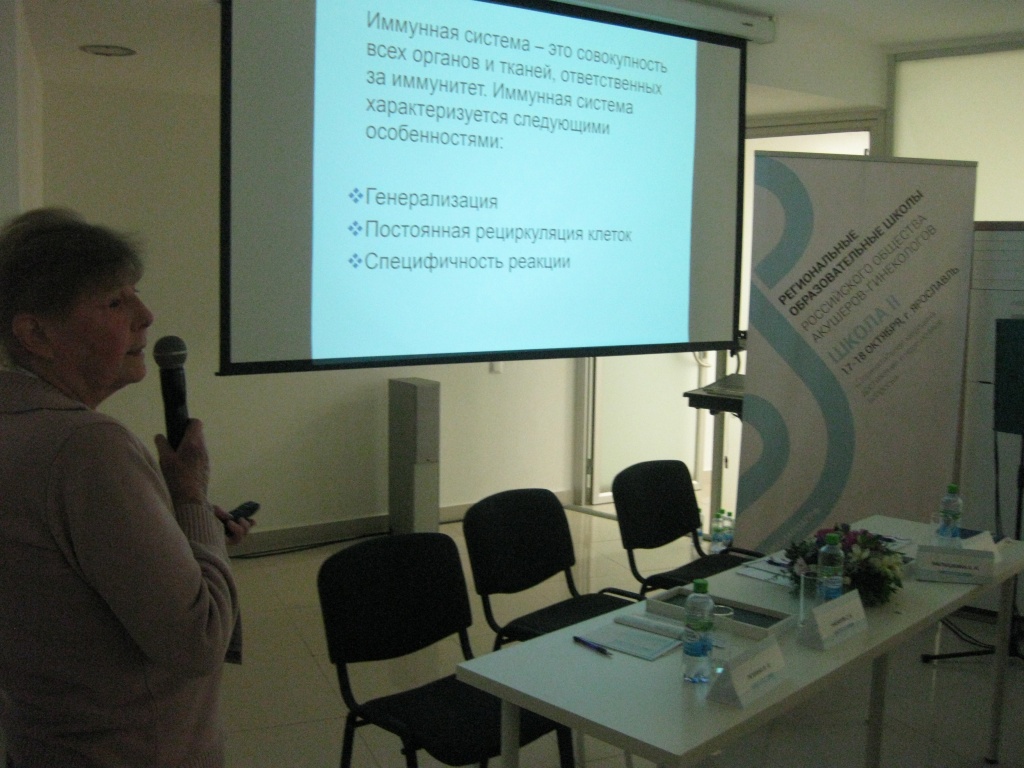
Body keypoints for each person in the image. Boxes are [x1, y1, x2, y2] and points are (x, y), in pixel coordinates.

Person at [0, 208, 252, 768]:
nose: (146, 316)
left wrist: (182, 534)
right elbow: (198, 640)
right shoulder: (87, 448)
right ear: (36, 333)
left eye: (135, 294)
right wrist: (190, 499)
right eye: (114, 303)